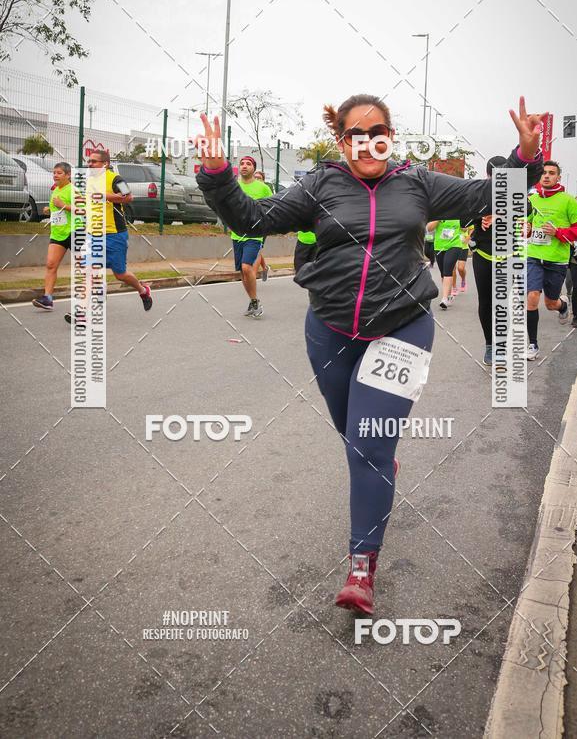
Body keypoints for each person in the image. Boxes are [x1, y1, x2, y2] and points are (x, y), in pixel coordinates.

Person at [196, 95, 544, 614]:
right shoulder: (320, 185)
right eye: (356, 133)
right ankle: (380, 466)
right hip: (330, 330)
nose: (368, 141)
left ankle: (362, 568)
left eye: (377, 130)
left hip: (402, 329)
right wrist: (218, 171)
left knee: (367, 447)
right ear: (342, 141)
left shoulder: (418, 183)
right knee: (354, 437)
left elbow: (489, 193)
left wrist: (523, 156)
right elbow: (249, 217)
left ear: (389, 133)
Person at [64, 149, 152, 323]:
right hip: (93, 234)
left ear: (105, 164)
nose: (90, 164)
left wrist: (105, 196)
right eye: (89, 161)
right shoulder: (88, 181)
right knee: (87, 271)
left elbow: (128, 197)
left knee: (120, 274)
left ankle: (143, 290)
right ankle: (80, 313)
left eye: (94, 162)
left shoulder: (115, 179)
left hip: (114, 234)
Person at [525, 160, 577, 359]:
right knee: (532, 297)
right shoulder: (532, 200)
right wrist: (526, 229)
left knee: (550, 303)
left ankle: (563, 305)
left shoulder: (568, 201)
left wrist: (558, 232)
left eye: (552, 173)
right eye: (543, 173)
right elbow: (526, 223)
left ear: (558, 177)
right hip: (534, 256)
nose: (547, 176)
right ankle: (532, 345)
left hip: (557, 260)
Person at [469, 156, 510, 365]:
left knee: (502, 302)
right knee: (486, 301)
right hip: (483, 255)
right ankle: (490, 345)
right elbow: (462, 218)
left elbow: (528, 210)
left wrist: (500, 213)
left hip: (508, 256)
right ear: (488, 175)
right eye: (495, 176)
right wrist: (481, 216)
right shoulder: (478, 192)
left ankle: (502, 344)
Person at [229, 155, 273, 316]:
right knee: (242, 272)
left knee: (247, 267)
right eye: (242, 163)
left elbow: (272, 207)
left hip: (255, 235)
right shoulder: (234, 186)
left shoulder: (263, 188)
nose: (244, 166)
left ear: (254, 168)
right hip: (236, 235)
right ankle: (253, 301)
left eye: (248, 164)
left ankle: (255, 303)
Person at [33, 162, 75, 311]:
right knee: (51, 265)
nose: (55, 175)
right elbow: (58, 211)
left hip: (75, 232)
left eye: (59, 173)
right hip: (58, 233)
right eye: (54, 172)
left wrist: (63, 205)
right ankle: (47, 299)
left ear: (68, 175)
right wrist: (49, 210)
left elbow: (83, 210)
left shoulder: (73, 190)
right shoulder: (56, 190)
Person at [426, 219, 463, 308]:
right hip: (439, 246)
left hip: (454, 245)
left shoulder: (458, 211)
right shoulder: (439, 211)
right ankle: (449, 295)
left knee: (447, 270)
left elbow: (465, 228)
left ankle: (444, 298)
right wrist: (439, 220)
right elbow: (429, 228)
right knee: (443, 273)